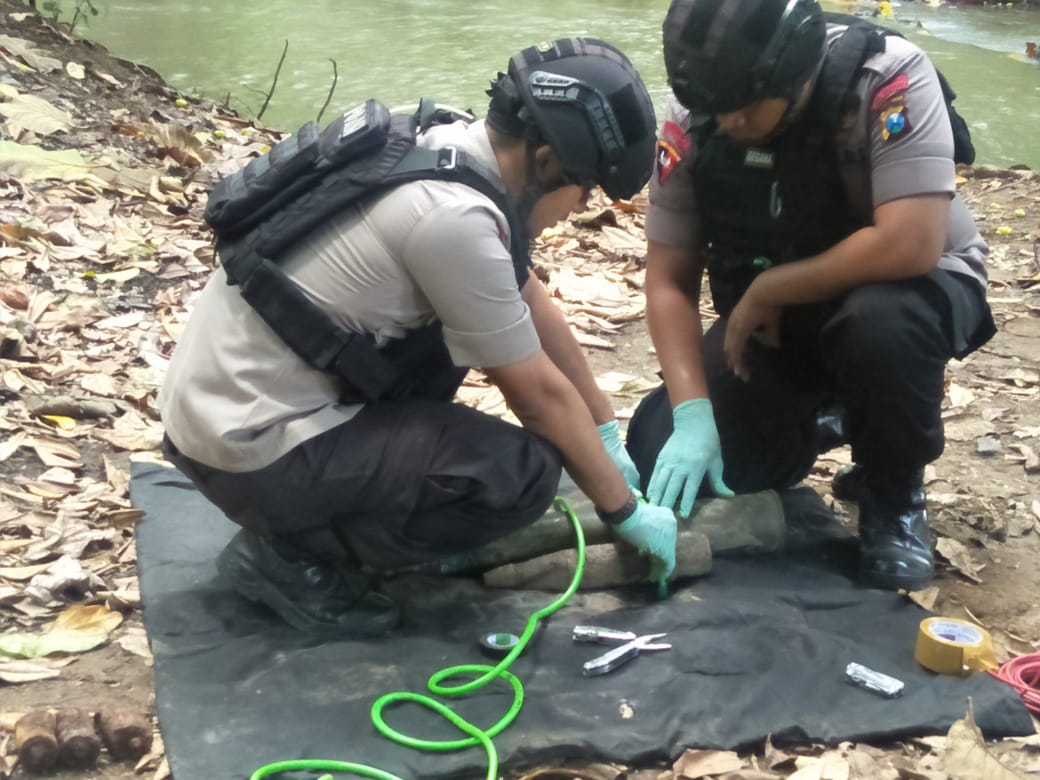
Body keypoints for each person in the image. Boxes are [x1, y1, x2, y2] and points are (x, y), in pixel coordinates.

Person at [158, 37, 677, 636]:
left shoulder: (445, 142)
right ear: (544, 161)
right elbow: (535, 396)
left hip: (221, 413)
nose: (579, 206)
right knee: (521, 474)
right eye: (583, 188)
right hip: (247, 445)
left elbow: (524, 295)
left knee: (464, 354)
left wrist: (605, 426)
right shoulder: (453, 219)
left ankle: (302, 519)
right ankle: (293, 558)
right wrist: (625, 510)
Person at [627, 0, 995, 592]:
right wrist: (694, 415)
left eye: (745, 109)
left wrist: (772, 287)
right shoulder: (699, 111)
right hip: (776, 320)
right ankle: (827, 420)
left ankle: (893, 493)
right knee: (659, 454)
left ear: (795, 75)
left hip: (901, 293)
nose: (729, 123)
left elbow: (912, 243)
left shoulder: (886, 79)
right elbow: (668, 278)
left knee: (880, 323)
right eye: (716, 111)